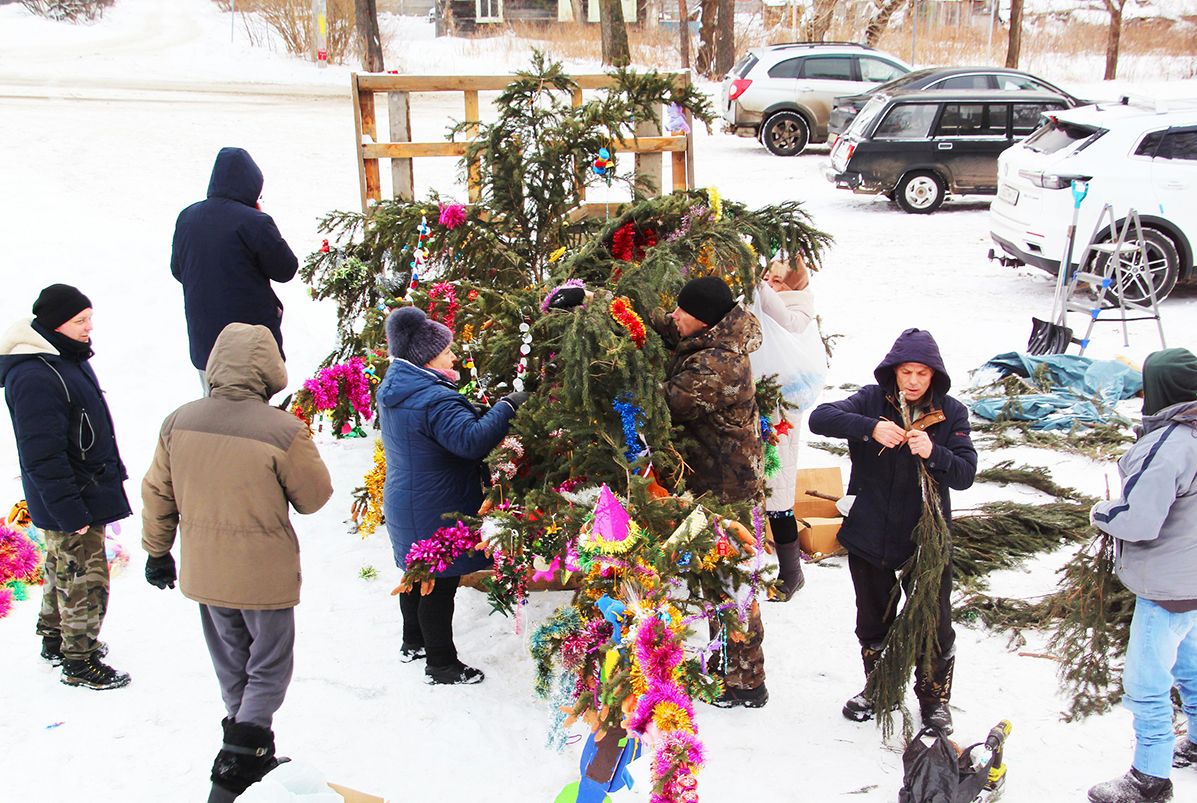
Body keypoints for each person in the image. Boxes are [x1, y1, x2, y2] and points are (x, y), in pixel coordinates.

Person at [140, 322, 333, 802]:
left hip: (205, 571)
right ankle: (233, 773)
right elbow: (314, 497)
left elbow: (157, 492)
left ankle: (252, 752)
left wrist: (157, 551)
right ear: (271, 369)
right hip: (263, 574)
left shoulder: (178, 421)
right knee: (268, 666)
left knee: (233, 664)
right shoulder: (283, 430)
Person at [808, 328, 976, 734]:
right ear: (893, 372)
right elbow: (820, 418)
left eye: (922, 373)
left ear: (934, 375)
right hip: (870, 534)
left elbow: (966, 473)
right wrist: (870, 428)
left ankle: (934, 701)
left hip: (925, 542)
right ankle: (879, 688)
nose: (914, 381)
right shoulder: (871, 399)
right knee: (872, 621)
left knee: (934, 622)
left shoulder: (951, 412)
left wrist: (935, 453)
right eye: (906, 372)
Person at [378, 306, 526, 685]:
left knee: (416, 572)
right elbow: (470, 441)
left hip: (407, 498)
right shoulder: (433, 398)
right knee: (439, 585)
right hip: (436, 506)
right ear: (427, 358)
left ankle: (413, 642)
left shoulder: (398, 387)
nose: (454, 356)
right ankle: (442, 664)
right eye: (447, 351)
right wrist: (507, 406)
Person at [0, 284, 132, 690]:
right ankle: (80, 660)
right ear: (56, 324)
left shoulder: (66, 359)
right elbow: (42, 454)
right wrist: (69, 509)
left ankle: (56, 640)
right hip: (70, 494)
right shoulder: (35, 375)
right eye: (80, 321)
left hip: (84, 486)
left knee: (62, 567)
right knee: (85, 577)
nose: (88, 328)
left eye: (89, 319)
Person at [1087, 348, 1197, 803]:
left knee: (1146, 684)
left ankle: (1148, 777)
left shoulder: (1172, 444)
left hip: (1167, 588)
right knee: (1191, 667)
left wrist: (1101, 513)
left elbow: (1139, 521)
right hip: (1193, 584)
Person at [655, 275, 768, 708]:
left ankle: (748, 681)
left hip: (728, 489)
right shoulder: (708, 334)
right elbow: (666, 324)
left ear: (702, 320)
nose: (675, 317)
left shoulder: (719, 365)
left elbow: (665, 403)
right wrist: (600, 302)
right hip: (711, 481)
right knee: (717, 581)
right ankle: (725, 668)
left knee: (733, 582)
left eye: (682, 311)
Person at [172, 147, 298, 394]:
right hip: (248, 344)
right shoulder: (254, 222)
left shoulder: (187, 217)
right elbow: (286, 268)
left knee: (214, 405)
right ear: (251, 188)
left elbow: (178, 270)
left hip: (204, 340)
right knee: (251, 414)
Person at [755, 254, 818, 601]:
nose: (773, 286)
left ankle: (791, 572)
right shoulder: (769, 304)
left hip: (781, 415)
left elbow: (787, 323)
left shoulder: (799, 309)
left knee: (778, 490)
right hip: (761, 406)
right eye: (770, 279)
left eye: (779, 281)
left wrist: (760, 287)